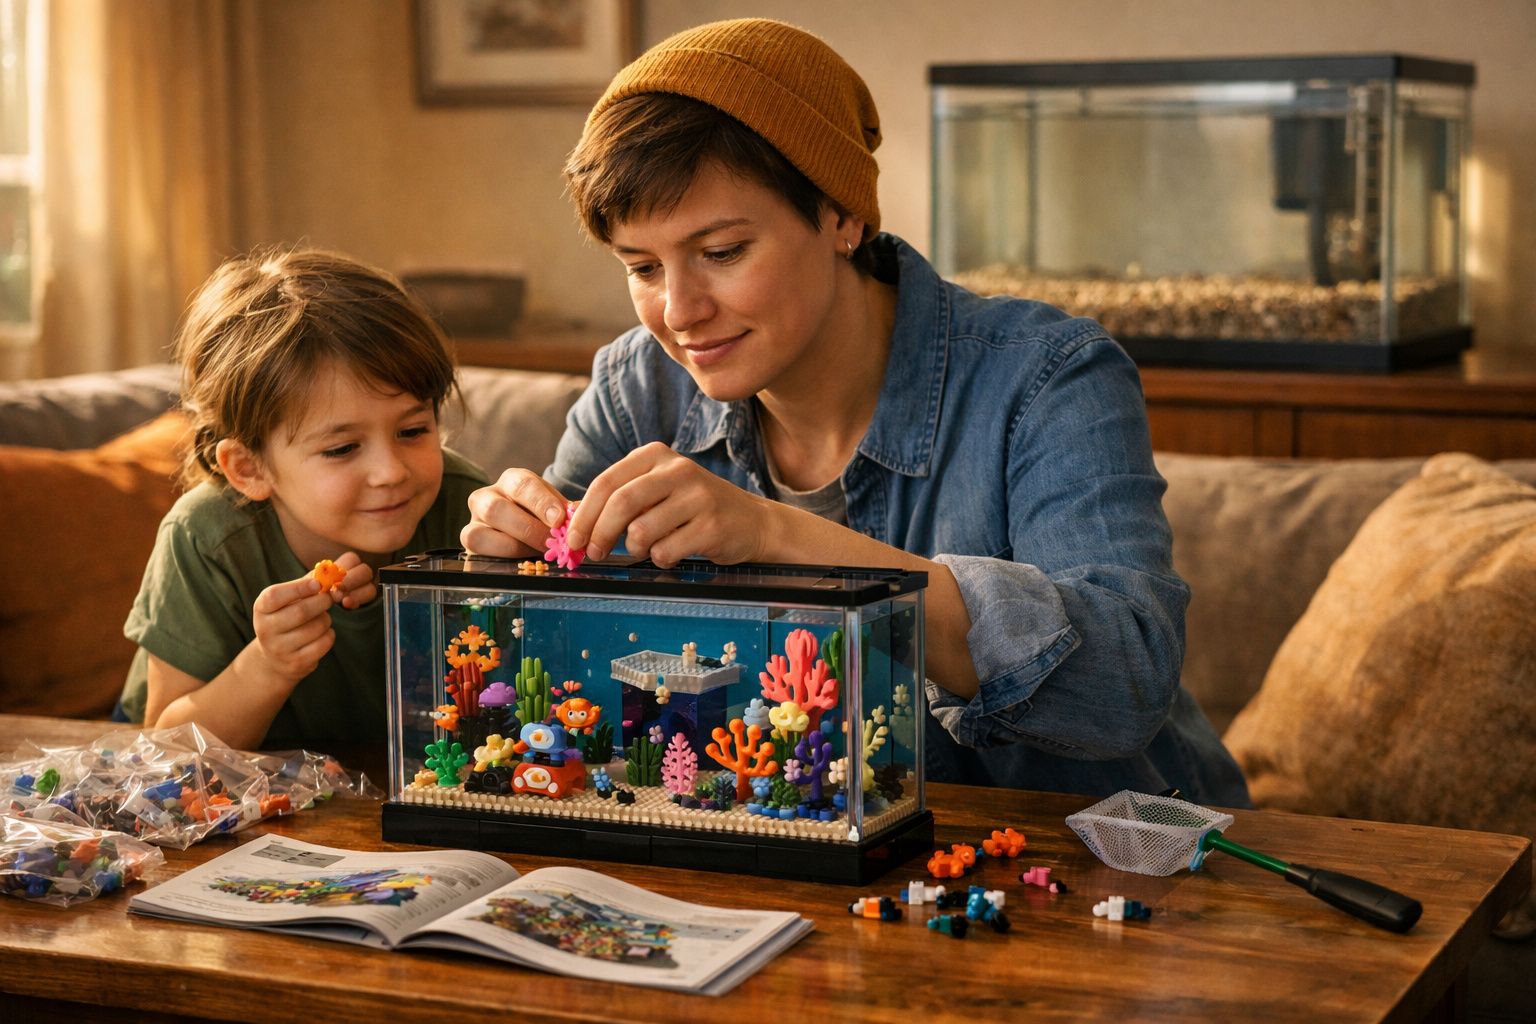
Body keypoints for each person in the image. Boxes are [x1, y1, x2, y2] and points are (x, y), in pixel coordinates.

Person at [462, 18, 1249, 805]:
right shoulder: (636, 389)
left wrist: (775, 536)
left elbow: (1123, 684)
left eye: (722, 252)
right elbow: (551, 668)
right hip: (787, 844)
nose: (678, 311)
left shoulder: (1047, 377)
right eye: (641, 267)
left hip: (1102, 844)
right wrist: (511, 559)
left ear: (843, 216)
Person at [117, 248, 488, 751]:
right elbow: (167, 745)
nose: (391, 472)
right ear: (249, 468)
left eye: (413, 430)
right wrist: (269, 665)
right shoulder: (206, 539)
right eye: (342, 448)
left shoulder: (467, 516)